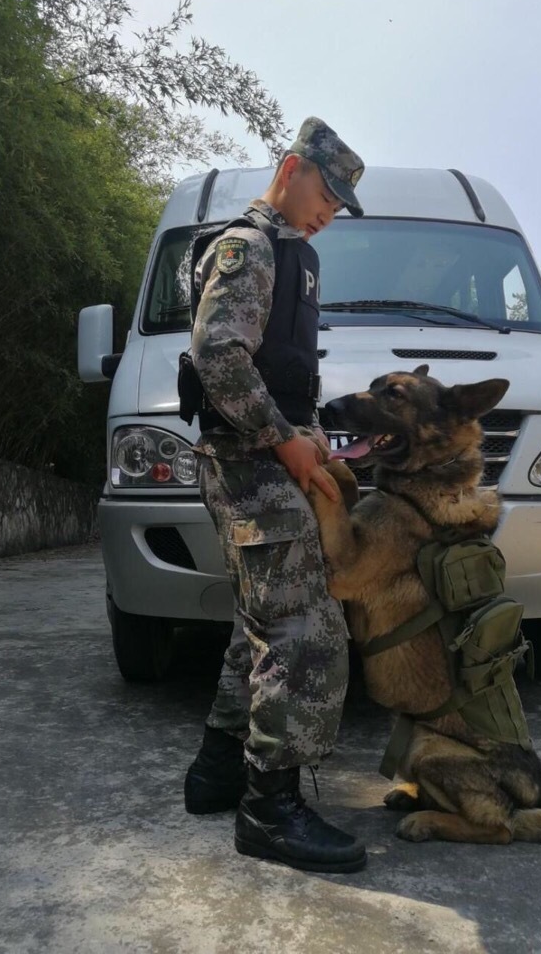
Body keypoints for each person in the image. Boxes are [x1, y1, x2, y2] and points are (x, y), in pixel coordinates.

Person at [184, 117, 367, 873]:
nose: (330, 212)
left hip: (264, 456)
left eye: (340, 204)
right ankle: (270, 809)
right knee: (303, 630)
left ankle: (218, 772)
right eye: (327, 194)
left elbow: (278, 370)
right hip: (248, 459)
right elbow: (218, 354)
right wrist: (282, 437)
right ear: (292, 170)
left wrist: (308, 437)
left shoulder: (290, 255)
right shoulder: (249, 246)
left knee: (261, 622)